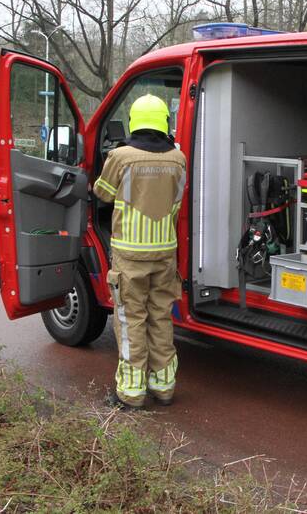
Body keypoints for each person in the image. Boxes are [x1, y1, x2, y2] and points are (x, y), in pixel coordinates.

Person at [93, 94, 186, 409]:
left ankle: (131, 391)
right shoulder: (178, 158)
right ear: (163, 122)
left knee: (130, 317)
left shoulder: (121, 156)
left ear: (135, 122)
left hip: (130, 254)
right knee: (160, 316)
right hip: (165, 252)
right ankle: (164, 386)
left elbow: (102, 193)